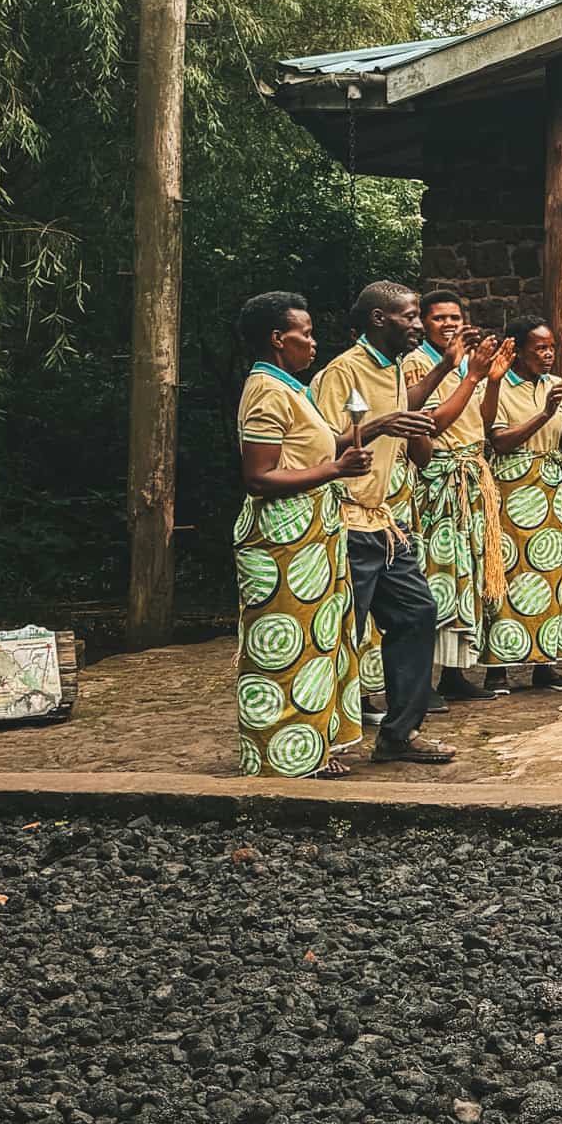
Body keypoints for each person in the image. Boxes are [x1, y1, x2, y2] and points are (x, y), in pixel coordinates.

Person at [234, 292, 382, 778]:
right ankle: (282, 755)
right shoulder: (267, 392)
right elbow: (260, 476)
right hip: (283, 538)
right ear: (279, 339)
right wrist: (335, 470)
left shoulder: (292, 389)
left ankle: (311, 746)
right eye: (306, 333)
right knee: (285, 646)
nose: (313, 343)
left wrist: (365, 438)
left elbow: (313, 448)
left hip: (312, 532)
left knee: (317, 640)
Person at [310, 281, 452, 764]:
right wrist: (379, 426)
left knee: (416, 614)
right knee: (340, 634)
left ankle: (398, 735)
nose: (418, 325)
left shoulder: (391, 366)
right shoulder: (341, 372)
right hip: (345, 523)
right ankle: (320, 742)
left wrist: (449, 370)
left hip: (384, 525)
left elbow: (404, 404)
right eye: (410, 317)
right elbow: (319, 446)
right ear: (378, 320)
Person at [406, 292, 513, 704]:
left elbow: (481, 422)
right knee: (436, 577)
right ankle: (422, 681)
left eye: (455, 317)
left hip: (471, 475)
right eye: (439, 318)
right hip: (440, 478)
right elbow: (431, 424)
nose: (448, 324)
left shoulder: (472, 365)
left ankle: (453, 674)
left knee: (465, 577)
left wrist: (493, 379)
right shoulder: (420, 363)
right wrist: (469, 375)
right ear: (424, 323)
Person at [481, 317, 562, 692]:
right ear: (520, 351)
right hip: (512, 489)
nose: (548, 355)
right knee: (510, 573)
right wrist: (544, 412)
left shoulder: (557, 385)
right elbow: (500, 443)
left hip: (552, 489)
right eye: (540, 348)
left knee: (550, 575)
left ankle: (546, 662)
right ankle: (499, 667)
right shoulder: (497, 386)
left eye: (552, 348)